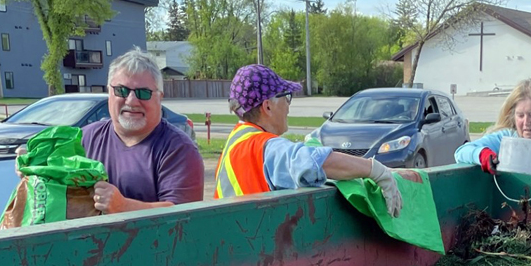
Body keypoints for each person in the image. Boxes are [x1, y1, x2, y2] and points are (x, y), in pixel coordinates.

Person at [215, 64, 403, 217]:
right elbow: (316, 162)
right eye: (286, 97)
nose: (288, 106)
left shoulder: (237, 140)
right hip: (254, 250)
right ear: (268, 106)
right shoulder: (266, 147)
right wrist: (376, 171)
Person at [82, 48, 204, 213]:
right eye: (121, 90)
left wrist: (123, 207)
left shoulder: (179, 150)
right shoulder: (85, 139)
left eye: (143, 93)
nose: (132, 101)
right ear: (109, 92)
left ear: (159, 98)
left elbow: (182, 217)